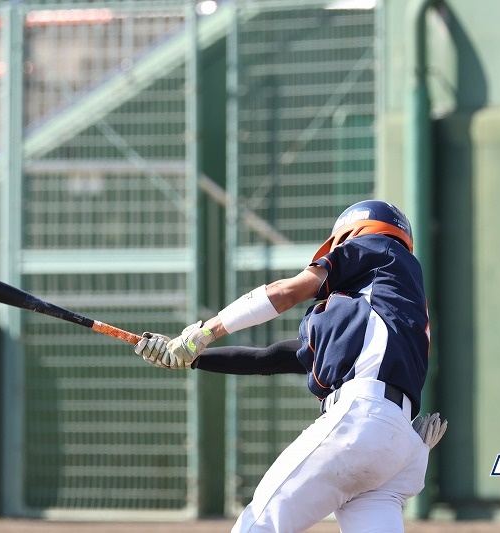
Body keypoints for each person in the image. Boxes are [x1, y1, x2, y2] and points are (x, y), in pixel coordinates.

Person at [135, 199, 447, 533]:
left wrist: (206, 331)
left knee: (258, 525)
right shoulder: (372, 309)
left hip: (361, 419)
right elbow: (268, 358)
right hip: (395, 446)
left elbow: (287, 291)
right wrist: (189, 357)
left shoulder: (379, 246)